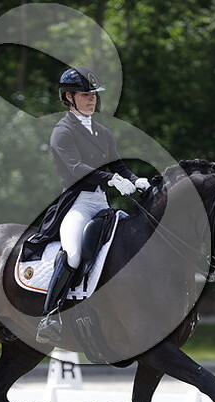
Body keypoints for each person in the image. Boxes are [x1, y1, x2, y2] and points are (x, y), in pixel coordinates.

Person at [29, 66, 150, 343]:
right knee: (73, 253)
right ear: (69, 97)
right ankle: (50, 315)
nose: (92, 99)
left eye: (93, 95)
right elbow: (76, 169)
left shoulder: (103, 132)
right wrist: (112, 180)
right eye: (85, 95)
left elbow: (118, 164)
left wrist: (135, 179)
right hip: (77, 204)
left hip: (102, 204)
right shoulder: (62, 132)